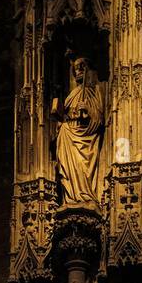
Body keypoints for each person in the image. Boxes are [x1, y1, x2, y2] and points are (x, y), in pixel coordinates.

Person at [52, 56, 103, 208]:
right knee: (67, 169)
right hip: (68, 137)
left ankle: (86, 194)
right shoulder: (72, 95)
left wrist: (87, 111)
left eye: (82, 67)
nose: (79, 71)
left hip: (85, 140)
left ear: (88, 68)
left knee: (82, 166)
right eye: (76, 69)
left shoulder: (94, 92)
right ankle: (71, 196)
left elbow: (98, 120)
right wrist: (61, 120)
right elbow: (66, 117)